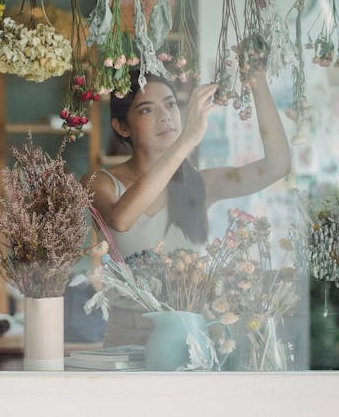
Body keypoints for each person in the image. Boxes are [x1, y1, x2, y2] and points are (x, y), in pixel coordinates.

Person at [88, 69, 291, 346]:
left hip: (191, 342)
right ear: (122, 127)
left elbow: (276, 166)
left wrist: (257, 80)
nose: (165, 116)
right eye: (147, 110)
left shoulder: (200, 184)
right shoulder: (100, 182)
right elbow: (121, 219)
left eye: (171, 104)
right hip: (126, 349)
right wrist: (186, 141)